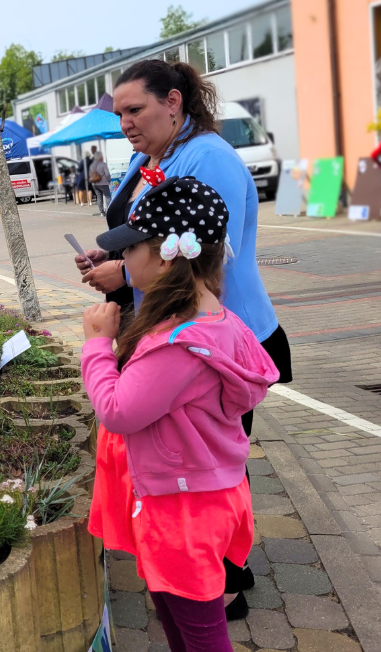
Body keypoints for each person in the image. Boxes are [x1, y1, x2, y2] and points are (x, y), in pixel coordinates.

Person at [75, 59, 292, 616]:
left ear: (173, 102)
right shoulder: (159, 155)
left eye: (135, 109)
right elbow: (151, 229)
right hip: (178, 329)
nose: (125, 121)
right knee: (198, 457)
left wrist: (122, 275)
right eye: (119, 112)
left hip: (216, 336)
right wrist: (113, 253)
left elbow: (203, 248)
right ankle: (205, 571)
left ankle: (220, 583)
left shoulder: (208, 157)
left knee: (211, 463)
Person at [82, 176, 279, 652]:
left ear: (167, 254)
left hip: (182, 510)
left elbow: (117, 410)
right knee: (176, 615)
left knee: (200, 633)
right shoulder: (220, 321)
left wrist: (95, 346)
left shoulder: (177, 344)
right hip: (209, 494)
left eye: (131, 249)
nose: (122, 260)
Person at [90, 151, 111, 216]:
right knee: (108, 196)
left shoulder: (92, 165)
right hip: (103, 183)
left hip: (95, 183)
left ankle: (102, 212)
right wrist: (109, 179)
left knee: (99, 197)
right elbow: (107, 174)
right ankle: (109, 211)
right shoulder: (103, 164)